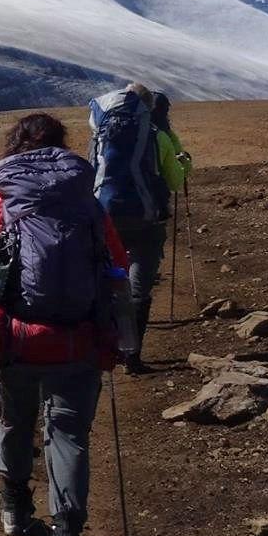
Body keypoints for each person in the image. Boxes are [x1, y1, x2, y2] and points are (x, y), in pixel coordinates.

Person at [0, 113, 126, 536]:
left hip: (13, 338)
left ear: (15, 144)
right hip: (79, 339)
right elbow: (117, 264)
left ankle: (15, 507)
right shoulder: (83, 197)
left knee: (13, 420)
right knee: (68, 435)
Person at [88, 82, 170, 374]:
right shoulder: (153, 134)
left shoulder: (101, 132)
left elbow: (92, 170)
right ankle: (132, 356)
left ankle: (107, 350)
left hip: (105, 213)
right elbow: (166, 175)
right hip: (143, 216)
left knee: (107, 283)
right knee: (139, 287)